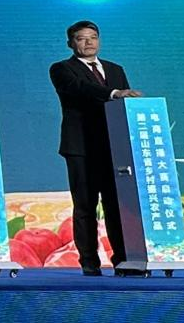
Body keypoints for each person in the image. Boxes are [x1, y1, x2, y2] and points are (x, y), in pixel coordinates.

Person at [49, 20, 143, 276]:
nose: (88, 42)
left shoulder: (115, 69)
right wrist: (113, 93)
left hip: (114, 147)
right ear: (71, 43)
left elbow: (123, 104)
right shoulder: (62, 69)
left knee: (116, 205)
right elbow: (80, 89)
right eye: (81, 38)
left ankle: (124, 260)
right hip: (81, 147)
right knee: (85, 206)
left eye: (93, 37)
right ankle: (89, 261)